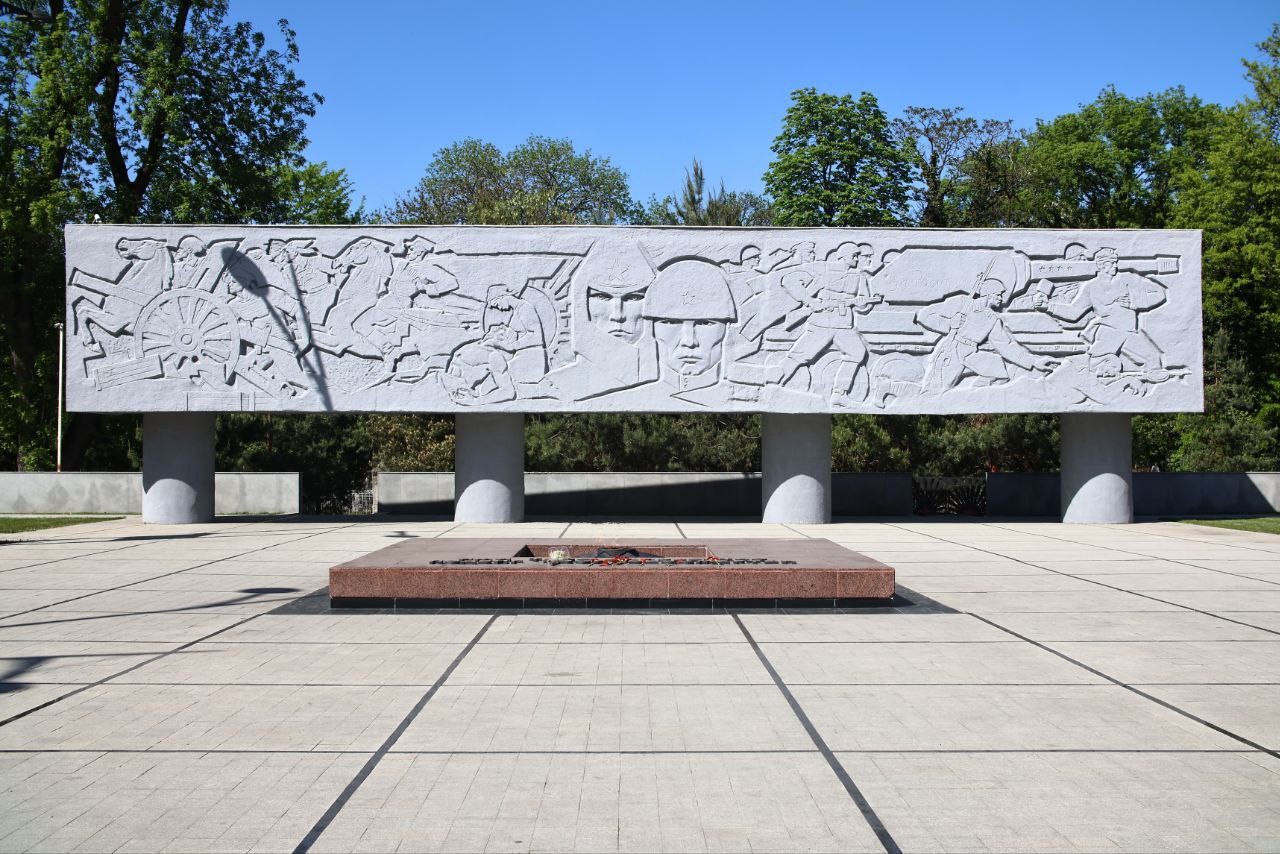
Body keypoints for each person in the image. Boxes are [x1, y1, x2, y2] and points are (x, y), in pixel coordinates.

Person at [1032, 247, 1169, 377]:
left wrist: (1134, 302)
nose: (1115, 266)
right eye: (1111, 263)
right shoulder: (1091, 286)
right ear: (1101, 265)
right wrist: (1048, 306)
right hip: (1108, 333)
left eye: (1115, 262)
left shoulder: (1128, 278)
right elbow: (1074, 312)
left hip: (1128, 332)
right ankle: (1059, 373)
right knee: (1093, 366)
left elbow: (1159, 293)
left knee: (1153, 359)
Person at [776, 241, 882, 403]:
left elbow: (863, 306)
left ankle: (839, 394)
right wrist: (809, 301)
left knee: (857, 353)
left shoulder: (859, 276)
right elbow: (788, 280)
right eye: (854, 255)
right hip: (822, 322)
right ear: (843, 256)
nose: (857, 259)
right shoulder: (823, 269)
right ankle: (773, 382)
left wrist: (863, 304)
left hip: (843, 324)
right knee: (801, 355)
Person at [919, 274, 1058, 391]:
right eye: (998, 295)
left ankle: (972, 396)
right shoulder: (962, 302)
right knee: (936, 389)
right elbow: (924, 316)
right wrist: (949, 324)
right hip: (952, 350)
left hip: (971, 352)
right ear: (988, 294)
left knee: (999, 371)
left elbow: (1006, 346)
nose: (1001, 299)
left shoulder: (992, 318)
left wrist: (1033, 362)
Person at [640, 258, 737, 405]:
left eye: (705, 323)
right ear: (651, 328)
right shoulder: (628, 399)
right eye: (671, 322)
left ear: (726, 328)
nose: (689, 342)